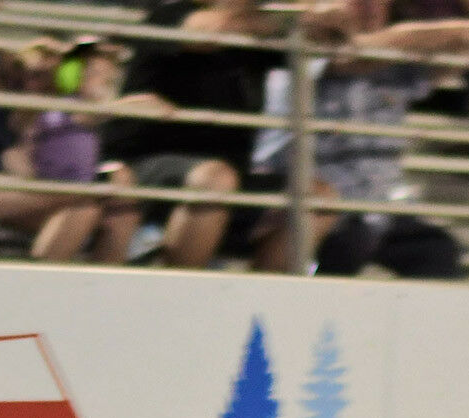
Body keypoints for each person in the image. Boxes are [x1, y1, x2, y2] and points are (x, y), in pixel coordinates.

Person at [253, 0, 469, 276]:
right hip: (319, 201)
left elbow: (458, 58)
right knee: (343, 243)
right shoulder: (309, 40)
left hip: (381, 206)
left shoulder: (399, 56)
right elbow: (352, 56)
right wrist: (459, 31)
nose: (371, 8)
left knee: (439, 254)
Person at [100, 0, 343, 269]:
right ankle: (177, 296)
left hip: (226, 180)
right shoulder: (170, 14)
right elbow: (213, 30)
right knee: (215, 179)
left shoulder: (258, 34)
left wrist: (330, 19)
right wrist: (292, 18)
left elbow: (334, 48)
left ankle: (259, 304)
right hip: (142, 169)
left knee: (317, 198)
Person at [0, 39, 140, 262]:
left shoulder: (55, 113)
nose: (39, 84)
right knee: (88, 197)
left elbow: (31, 175)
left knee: (87, 209)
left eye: (48, 77)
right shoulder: (2, 114)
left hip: (37, 199)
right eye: (33, 75)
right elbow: (19, 171)